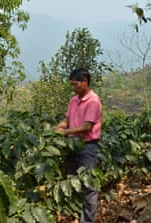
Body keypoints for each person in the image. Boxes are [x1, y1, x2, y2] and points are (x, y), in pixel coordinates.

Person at [55, 68, 102, 223]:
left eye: (76, 84)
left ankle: (87, 221)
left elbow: (87, 126)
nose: (73, 88)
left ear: (85, 82)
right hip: (72, 146)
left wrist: (66, 132)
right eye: (72, 85)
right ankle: (72, 216)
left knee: (88, 187)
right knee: (71, 181)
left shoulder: (93, 101)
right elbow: (67, 119)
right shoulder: (73, 100)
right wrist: (58, 128)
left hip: (88, 147)